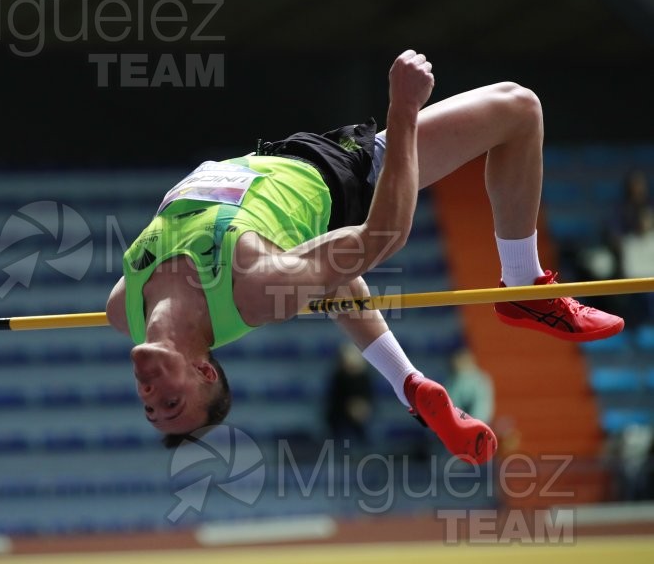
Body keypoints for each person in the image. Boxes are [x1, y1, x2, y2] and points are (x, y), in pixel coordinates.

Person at [105, 50, 624, 463]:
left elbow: (335, 279)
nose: (150, 395)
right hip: (350, 175)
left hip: (285, 167)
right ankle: (523, 286)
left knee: (329, 279)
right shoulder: (254, 291)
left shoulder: (121, 309)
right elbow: (384, 235)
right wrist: (403, 109)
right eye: (169, 403)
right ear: (205, 372)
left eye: (151, 408)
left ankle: (409, 384)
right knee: (518, 107)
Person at [325, 343, 375, 446]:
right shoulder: (338, 377)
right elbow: (333, 401)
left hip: (361, 418)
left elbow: (370, 399)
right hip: (339, 416)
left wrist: (362, 408)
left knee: (363, 428)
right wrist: (349, 408)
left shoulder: (364, 378)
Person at [446, 348, 494, 425]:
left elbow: (482, 410)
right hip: (456, 425)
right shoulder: (452, 380)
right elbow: (450, 406)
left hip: (476, 426)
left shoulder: (481, 380)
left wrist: (472, 424)